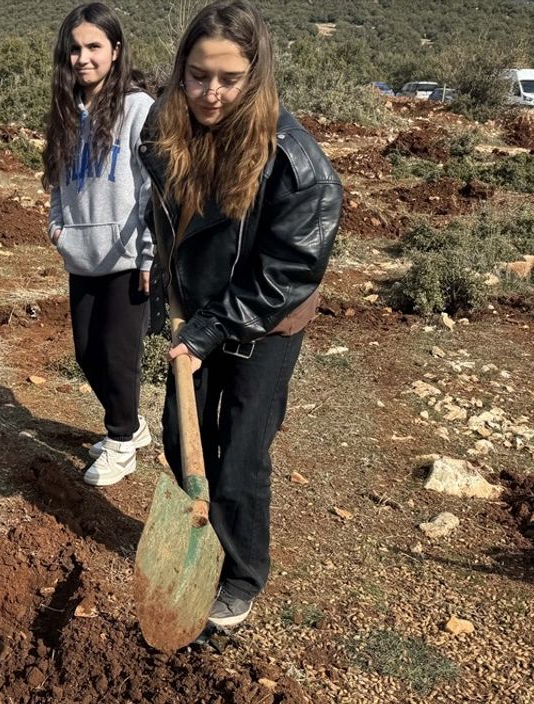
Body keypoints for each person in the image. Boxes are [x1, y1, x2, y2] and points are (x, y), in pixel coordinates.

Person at [138, 0, 342, 631]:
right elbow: (169, 224)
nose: (212, 92)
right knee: (182, 436)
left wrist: (210, 330)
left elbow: (287, 271)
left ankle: (242, 571)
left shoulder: (296, 163)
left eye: (230, 79)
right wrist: (162, 295)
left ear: (256, 76)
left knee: (242, 455)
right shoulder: (166, 131)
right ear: (183, 68)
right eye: (199, 75)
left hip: (264, 322)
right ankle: (202, 536)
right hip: (196, 312)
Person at [43, 3, 155, 487]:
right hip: (81, 255)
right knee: (88, 353)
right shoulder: (67, 112)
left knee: (118, 352)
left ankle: (120, 442)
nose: (82, 57)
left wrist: (150, 253)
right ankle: (131, 424)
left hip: (127, 257)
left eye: (93, 46)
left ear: (116, 50)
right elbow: (57, 183)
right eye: (74, 48)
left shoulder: (137, 108)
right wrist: (56, 227)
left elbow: (153, 188)